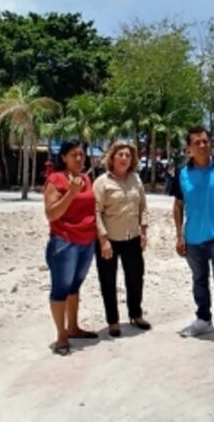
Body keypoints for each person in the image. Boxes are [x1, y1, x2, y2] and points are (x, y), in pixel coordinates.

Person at [172, 126, 214, 346]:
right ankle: (203, 319)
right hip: (193, 238)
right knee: (199, 280)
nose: (202, 145)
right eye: (196, 142)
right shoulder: (182, 174)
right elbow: (178, 205)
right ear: (189, 148)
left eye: (205, 141)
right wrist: (179, 236)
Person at [42, 139, 99, 356]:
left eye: (81, 155)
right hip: (64, 242)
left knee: (75, 287)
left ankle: (73, 327)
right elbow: (51, 213)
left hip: (86, 242)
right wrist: (71, 193)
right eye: (74, 155)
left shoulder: (86, 178)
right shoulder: (55, 179)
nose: (78, 158)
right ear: (63, 157)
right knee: (60, 289)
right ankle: (61, 336)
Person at [94, 140, 151, 337]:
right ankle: (113, 321)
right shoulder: (102, 182)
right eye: (121, 155)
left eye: (128, 155)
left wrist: (144, 232)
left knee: (135, 278)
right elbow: (96, 213)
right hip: (109, 240)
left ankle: (136, 314)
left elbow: (143, 206)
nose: (124, 158)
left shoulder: (136, 180)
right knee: (108, 281)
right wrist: (103, 240)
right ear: (112, 158)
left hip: (132, 238)